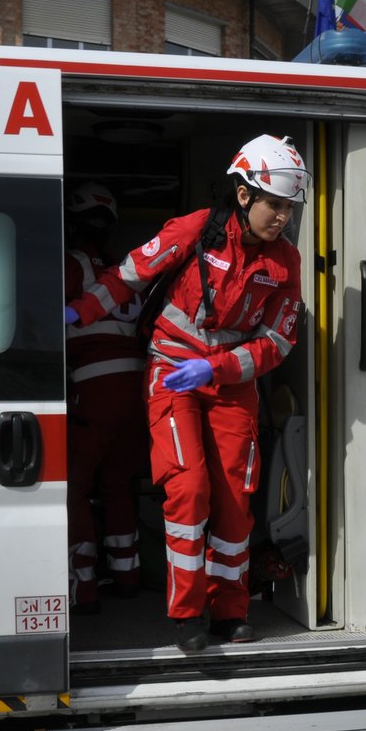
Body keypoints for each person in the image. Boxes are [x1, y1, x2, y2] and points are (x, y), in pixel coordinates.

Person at [70, 134, 305, 652]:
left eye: (289, 207)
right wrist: (77, 313)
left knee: (235, 502)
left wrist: (215, 368)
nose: (282, 217)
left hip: (228, 383)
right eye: (274, 204)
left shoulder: (285, 262)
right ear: (243, 195)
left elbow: (278, 342)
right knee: (189, 487)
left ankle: (230, 612)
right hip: (172, 371)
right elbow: (128, 276)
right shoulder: (197, 229)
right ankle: (187, 614)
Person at [61, 181, 146, 614]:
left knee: (72, 486)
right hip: (135, 390)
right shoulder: (125, 271)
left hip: (92, 390)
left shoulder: (71, 265)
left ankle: (84, 586)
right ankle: (128, 575)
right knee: (117, 484)